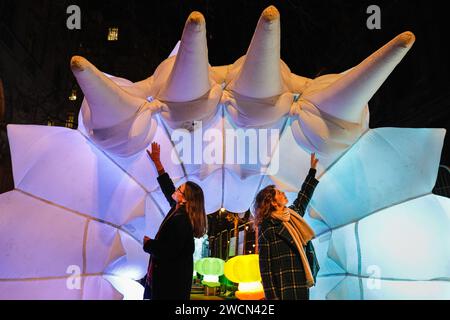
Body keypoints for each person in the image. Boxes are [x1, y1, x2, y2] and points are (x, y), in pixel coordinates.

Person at [143, 142, 207, 300]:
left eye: (180, 190)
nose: (176, 190)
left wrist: (148, 244)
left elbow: (169, 251)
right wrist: (158, 163)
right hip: (170, 282)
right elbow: (168, 187)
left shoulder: (182, 221)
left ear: (185, 200)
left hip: (170, 286)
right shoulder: (178, 209)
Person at [254, 153, 321, 300]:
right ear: (272, 202)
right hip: (284, 285)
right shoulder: (267, 227)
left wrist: (312, 171)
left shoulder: (292, 215)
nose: (283, 193)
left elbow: (303, 196)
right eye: (278, 193)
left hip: (301, 277)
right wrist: (272, 297)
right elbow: (265, 268)